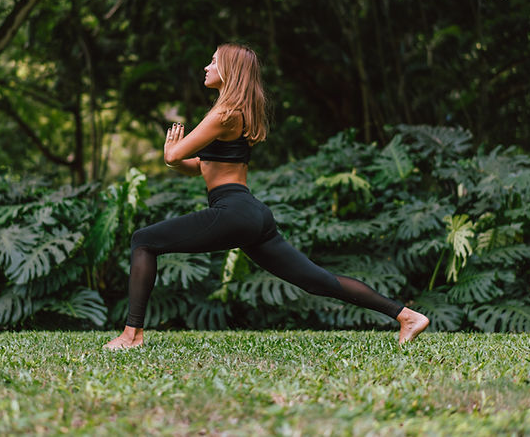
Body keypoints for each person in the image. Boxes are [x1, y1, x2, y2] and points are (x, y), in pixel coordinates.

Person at [104, 43, 429, 349]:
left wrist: (169, 153)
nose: (207, 66)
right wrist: (174, 155)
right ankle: (406, 316)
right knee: (316, 280)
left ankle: (132, 335)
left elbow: (176, 158)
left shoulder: (223, 114)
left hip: (233, 211)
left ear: (229, 70)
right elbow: (202, 167)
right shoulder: (237, 113)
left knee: (143, 241)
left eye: (214, 61)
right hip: (251, 213)